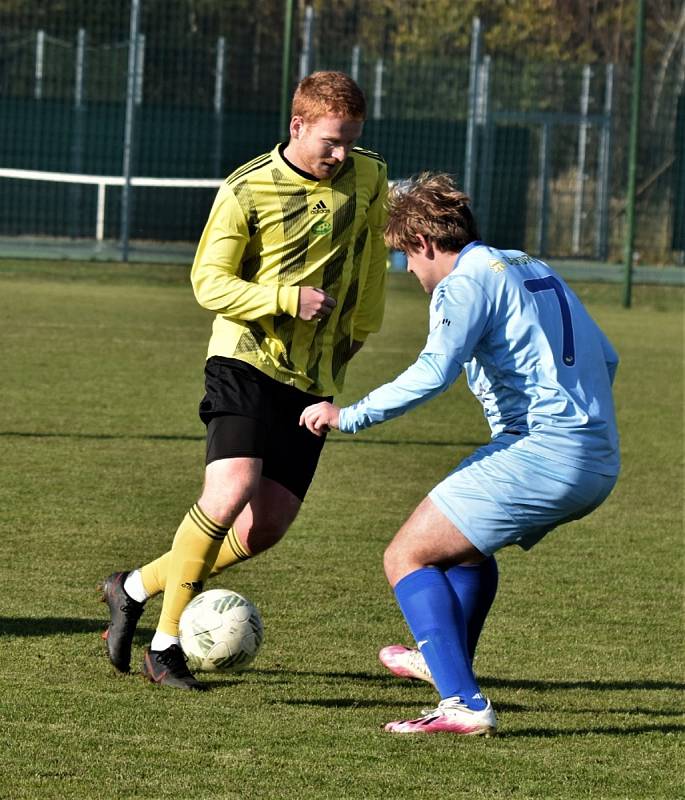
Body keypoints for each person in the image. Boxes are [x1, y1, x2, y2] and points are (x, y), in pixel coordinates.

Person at [300, 172, 620, 736]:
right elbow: (608, 357)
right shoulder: (527, 264)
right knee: (465, 552)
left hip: (542, 450)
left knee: (406, 556)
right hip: (595, 453)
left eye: (405, 256)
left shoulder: (464, 281)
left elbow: (433, 372)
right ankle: (444, 661)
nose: (408, 271)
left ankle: (463, 704)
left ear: (423, 243)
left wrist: (347, 414)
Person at [99, 71, 388, 690]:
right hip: (244, 358)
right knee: (231, 489)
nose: (341, 156)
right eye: (330, 142)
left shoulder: (370, 176)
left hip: (313, 374)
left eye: (351, 142)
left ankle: (130, 588)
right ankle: (167, 644)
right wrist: (286, 298)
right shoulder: (247, 190)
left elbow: (369, 259)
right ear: (298, 125)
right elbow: (208, 282)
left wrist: (360, 332)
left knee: (266, 526)